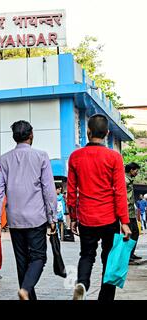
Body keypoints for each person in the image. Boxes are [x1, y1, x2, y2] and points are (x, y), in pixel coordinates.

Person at [67, 114, 131, 301]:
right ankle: (105, 298)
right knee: (109, 260)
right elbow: (119, 191)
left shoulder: (75, 156)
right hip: (109, 218)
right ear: (107, 133)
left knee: (86, 254)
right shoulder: (114, 157)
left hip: (86, 217)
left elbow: (72, 190)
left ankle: (82, 283)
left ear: (88, 132)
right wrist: (124, 222)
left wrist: (72, 216)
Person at [0, 120, 57, 300]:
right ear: (31, 135)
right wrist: (53, 218)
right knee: (38, 258)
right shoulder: (42, 156)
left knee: (22, 263)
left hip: (15, 219)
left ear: (14, 138)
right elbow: (49, 190)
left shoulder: (3, 159)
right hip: (36, 218)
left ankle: (26, 291)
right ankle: (25, 289)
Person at [126, 162, 142, 262]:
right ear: (131, 170)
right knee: (129, 233)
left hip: (130, 212)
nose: (137, 172)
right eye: (136, 170)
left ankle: (130, 253)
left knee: (135, 232)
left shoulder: (129, 180)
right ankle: (127, 255)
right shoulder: (125, 180)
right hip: (126, 212)